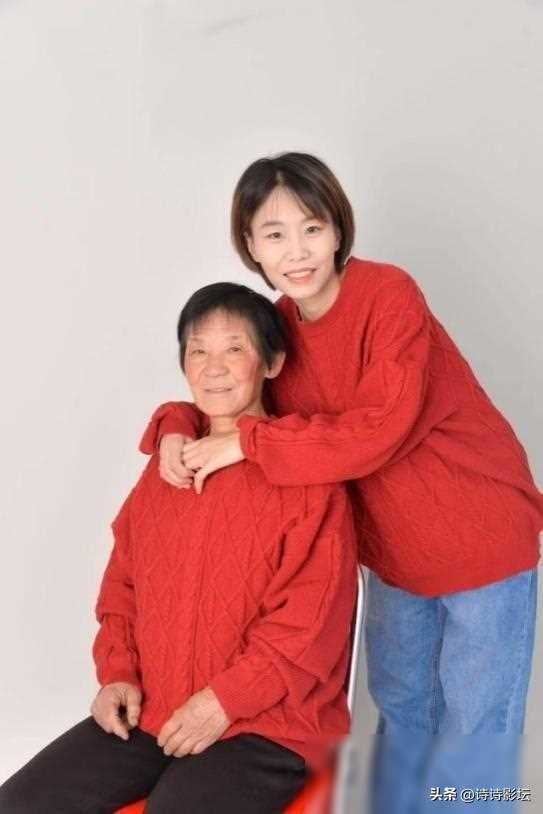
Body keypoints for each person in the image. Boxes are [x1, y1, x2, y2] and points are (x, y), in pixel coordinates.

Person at [142, 152, 542, 814]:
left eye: (312, 229)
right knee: (401, 716)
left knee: (477, 734)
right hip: (392, 557)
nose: (297, 252)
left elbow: (378, 429)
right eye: (274, 234)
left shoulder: (388, 295)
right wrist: (174, 426)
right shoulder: (277, 326)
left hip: (482, 538)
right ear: (250, 245)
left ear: (337, 231)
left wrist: (247, 442)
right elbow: (234, 387)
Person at [0, 283, 358, 814]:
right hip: (155, 714)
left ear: (273, 362)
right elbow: (122, 587)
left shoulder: (306, 479)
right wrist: (117, 674)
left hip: (269, 726)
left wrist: (225, 701)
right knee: (21, 803)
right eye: (198, 350)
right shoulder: (167, 466)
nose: (214, 368)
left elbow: (308, 628)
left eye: (234, 348)